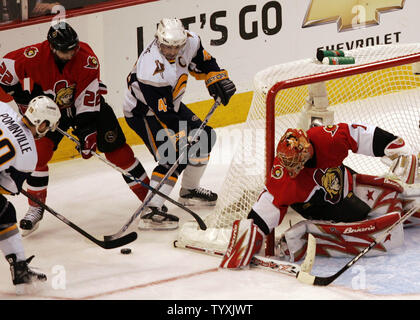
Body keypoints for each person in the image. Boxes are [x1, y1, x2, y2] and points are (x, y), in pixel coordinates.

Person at [0, 21, 150, 235]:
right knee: (37, 155)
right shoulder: (32, 56)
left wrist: (87, 131)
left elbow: (86, 98)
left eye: (74, 48)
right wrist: (18, 94)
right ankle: (35, 209)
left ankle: (150, 202)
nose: (71, 53)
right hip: (48, 111)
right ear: (52, 47)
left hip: (88, 107)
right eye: (65, 50)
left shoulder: (87, 58)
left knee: (118, 152)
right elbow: (4, 68)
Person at [220, 123, 420, 269]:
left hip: (344, 183)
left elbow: (358, 135)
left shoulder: (326, 139)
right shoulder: (284, 178)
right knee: (367, 221)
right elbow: (269, 203)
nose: (290, 169)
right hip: (321, 207)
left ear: (306, 151)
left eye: (294, 163)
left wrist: (393, 147)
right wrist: (251, 233)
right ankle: (304, 239)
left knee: (389, 194)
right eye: (286, 163)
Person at [123, 18, 236, 230]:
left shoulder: (190, 41)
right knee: (172, 155)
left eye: (177, 46)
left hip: (169, 106)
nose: (172, 51)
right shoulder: (151, 69)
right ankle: (151, 210)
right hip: (143, 113)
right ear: (158, 41)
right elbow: (163, 114)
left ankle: (189, 190)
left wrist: (217, 81)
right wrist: (181, 135)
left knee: (205, 137)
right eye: (167, 46)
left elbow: (204, 61)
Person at [0, 96, 60, 294]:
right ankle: (19, 269)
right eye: (48, 126)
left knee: (4, 213)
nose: (48, 130)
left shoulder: (4, 110)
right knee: (5, 213)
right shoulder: (29, 155)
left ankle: (20, 268)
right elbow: (8, 188)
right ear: (41, 123)